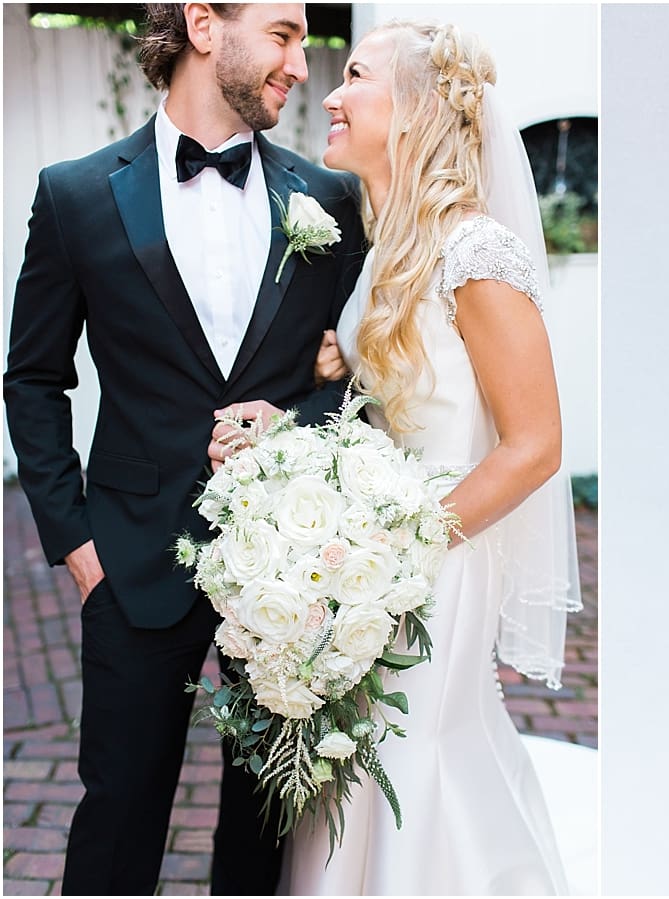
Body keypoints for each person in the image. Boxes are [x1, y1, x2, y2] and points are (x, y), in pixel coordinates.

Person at [3, 4, 364, 894]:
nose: (301, 63)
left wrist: (295, 424)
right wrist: (77, 544)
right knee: (117, 820)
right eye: (282, 34)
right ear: (204, 24)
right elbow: (34, 378)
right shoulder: (77, 194)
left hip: (286, 567)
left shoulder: (329, 199)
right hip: (131, 560)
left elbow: (356, 374)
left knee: (266, 828)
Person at [273, 19, 588, 895]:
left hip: (438, 556)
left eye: (356, 76)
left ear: (414, 109)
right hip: (369, 560)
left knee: (416, 758)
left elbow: (536, 444)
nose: (332, 94)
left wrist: (401, 546)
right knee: (362, 764)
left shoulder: (476, 251)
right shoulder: (389, 249)